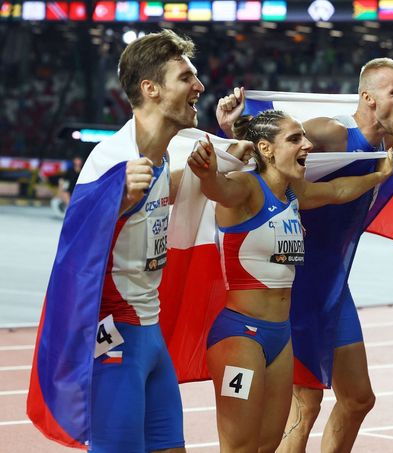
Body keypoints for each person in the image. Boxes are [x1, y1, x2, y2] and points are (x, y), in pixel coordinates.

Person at [216, 58, 393, 453]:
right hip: (298, 284)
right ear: (367, 98)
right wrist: (232, 130)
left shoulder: (385, 141)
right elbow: (276, 146)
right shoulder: (333, 132)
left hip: (333, 285)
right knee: (305, 404)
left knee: (358, 398)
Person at [187, 109, 393, 452]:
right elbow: (218, 188)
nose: (308, 145)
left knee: (269, 444)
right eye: (296, 139)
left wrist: (379, 177)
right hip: (241, 335)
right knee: (240, 447)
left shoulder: (293, 195)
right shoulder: (246, 187)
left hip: (280, 338)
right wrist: (208, 173)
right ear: (266, 149)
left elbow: (338, 190)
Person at [90, 30, 252, 452]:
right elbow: (76, 256)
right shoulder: (113, 163)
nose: (199, 87)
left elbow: (177, 186)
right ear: (151, 89)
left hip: (150, 332)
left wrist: (228, 147)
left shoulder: (159, 157)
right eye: (186, 78)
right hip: (116, 340)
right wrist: (114, 200)